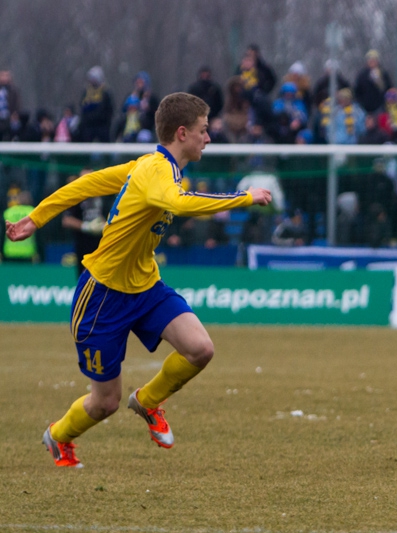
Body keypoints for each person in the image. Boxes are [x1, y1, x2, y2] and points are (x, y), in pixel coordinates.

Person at [5, 92, 272, 468]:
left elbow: (88, 185)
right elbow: (177, 203)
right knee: (105, 403)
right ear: (182, 133)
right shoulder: (155, 171)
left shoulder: (150, 165)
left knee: (200, 349)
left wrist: (34, 219)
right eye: (203, 130)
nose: (208, 138)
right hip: (102, 297)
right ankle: (59, 436)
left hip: (145, 286)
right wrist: (243, 198)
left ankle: (147, 401)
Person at [62, 169, 106, 278]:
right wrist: (86, 226)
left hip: (102, 244)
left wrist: (105, 225)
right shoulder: (76, 196)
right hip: (83, 244)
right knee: (85, 279)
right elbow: (66, 220)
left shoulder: (104, 193)